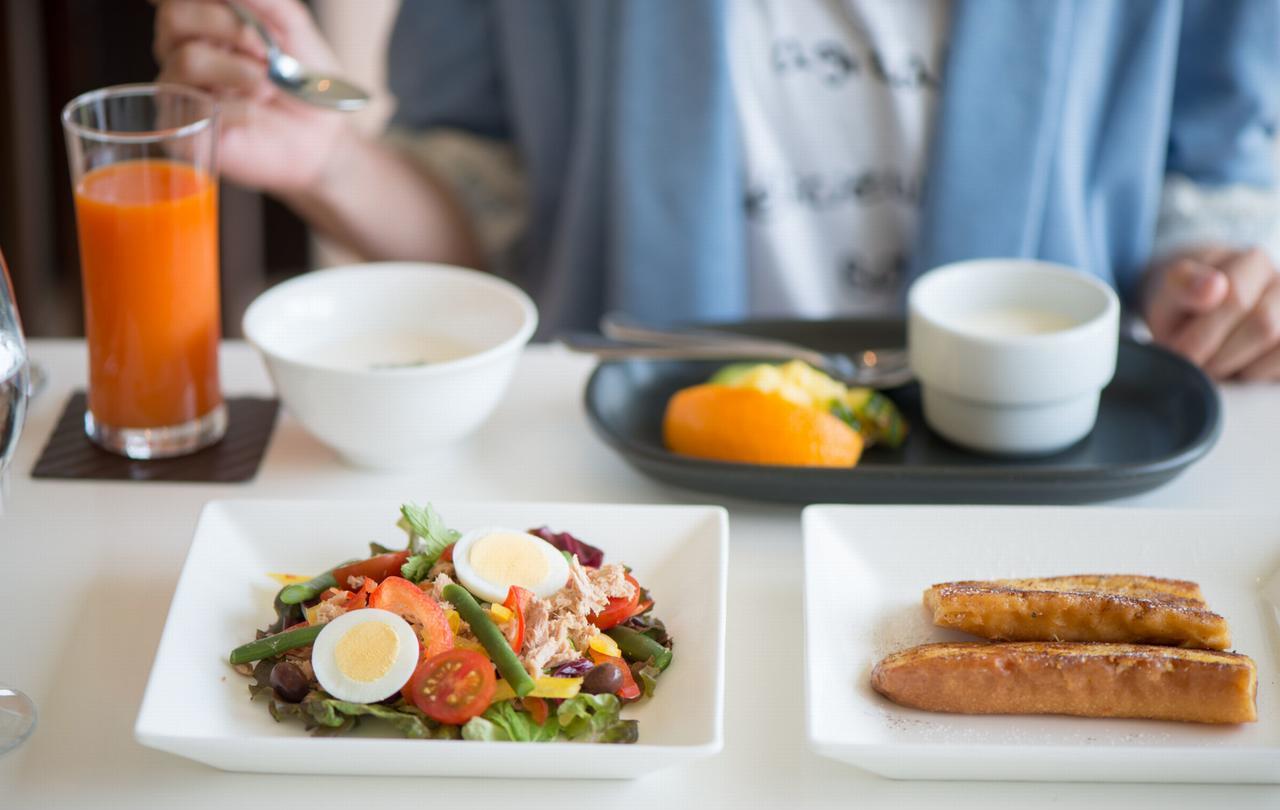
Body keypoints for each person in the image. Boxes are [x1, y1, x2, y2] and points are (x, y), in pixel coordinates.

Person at [151, 0, 1280, 380]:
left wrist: (1226, 278)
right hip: (635, 468)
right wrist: (329, 161)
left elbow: (1213, 170)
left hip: (1034, 463)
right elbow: (489, 206)